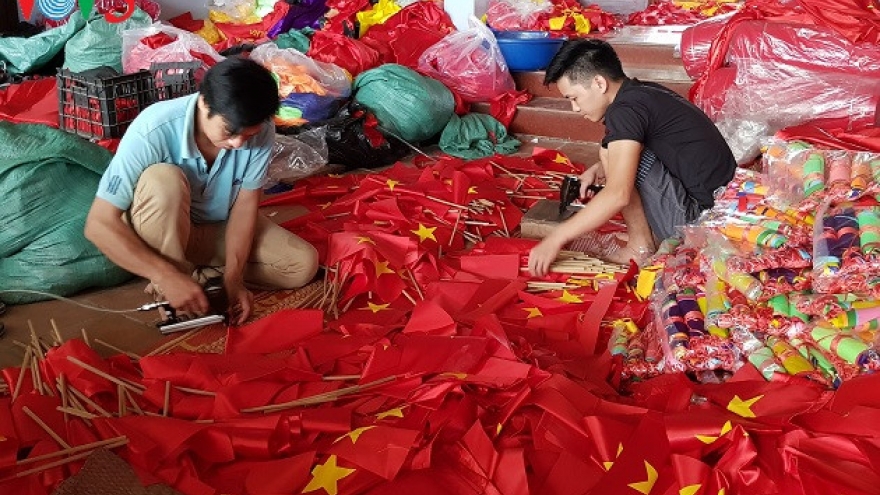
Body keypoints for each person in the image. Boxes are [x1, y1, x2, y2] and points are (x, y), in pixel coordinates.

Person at [85, 57, 319, 325]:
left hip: (211, 227)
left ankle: (200, 277)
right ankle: (173, 284)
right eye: (230, 131)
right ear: (204, 103)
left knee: (302, 265)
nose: (238, 144)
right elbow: (98, 224)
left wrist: (234, 278)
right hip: (158, 225)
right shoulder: (153, 128)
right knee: (164, 180)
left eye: (248, 135)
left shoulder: (261, 131)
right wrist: (165, 276)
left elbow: (244, 209)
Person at [528, 39, 736, 277]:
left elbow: (618, 194)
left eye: (574, 98)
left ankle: (640, 246)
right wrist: (599, 169)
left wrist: (556, 238)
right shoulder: (642, 92)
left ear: (598, 83)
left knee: (609, 152)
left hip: (701, 227)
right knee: (610, 153)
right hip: (724, 211)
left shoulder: (624, 111)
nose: (575, 108)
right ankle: (647, 234)